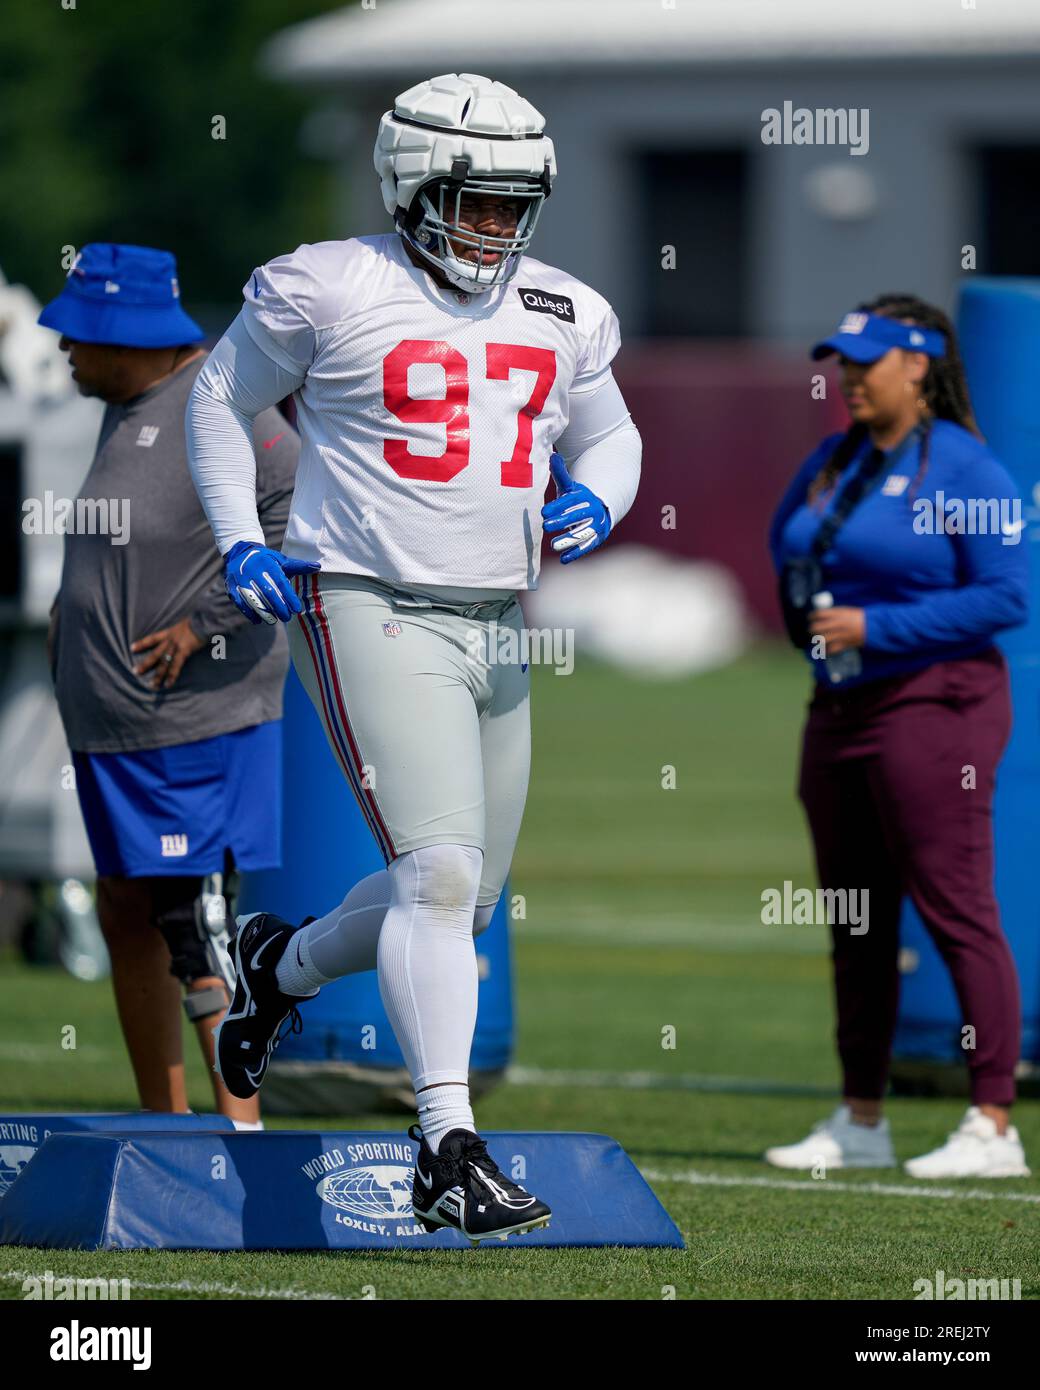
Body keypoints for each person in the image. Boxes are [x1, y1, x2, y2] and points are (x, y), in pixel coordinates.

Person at [186, 72, 642, 1241]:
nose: (493, 226)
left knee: (465, 893)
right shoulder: (328, 284)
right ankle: (447, 1144)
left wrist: (595, 498)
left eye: (511, 203)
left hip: (495, 616)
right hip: (363, 600)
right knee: (438, 878)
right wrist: (243, 537)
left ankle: (276, 965)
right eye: (473, 199)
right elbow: (219, 400)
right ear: (410, 183)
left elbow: (611, 430)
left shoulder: (561, 306)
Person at [768, 293, 1030, 1178]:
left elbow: (1007, 595)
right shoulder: (836, 456)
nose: (847, 378)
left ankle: (994, 1121)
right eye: (840, 362)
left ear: (917, 365)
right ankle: (862, 1117)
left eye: (865, 363)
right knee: (856, 918)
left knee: (957, 909)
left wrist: (877, 630)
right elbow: (791, 545)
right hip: (836, 708)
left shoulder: (965, 467)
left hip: (934, 704)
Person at [39, 243, 300, 1128]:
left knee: (193, 921)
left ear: (131, 336)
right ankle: (166, 1120)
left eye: (81, 334)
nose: (65, 350)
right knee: (127, 910)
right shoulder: (130, 403)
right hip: (115, 725)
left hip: (198, 717)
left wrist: (206, 625)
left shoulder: (226, 402)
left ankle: (244, 1130)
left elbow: (296, 517)